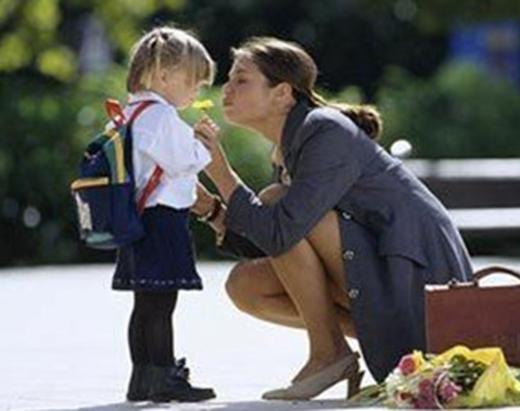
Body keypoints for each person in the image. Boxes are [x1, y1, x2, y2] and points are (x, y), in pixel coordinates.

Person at [192, 36, 473, 401]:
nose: (226, 89)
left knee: (277, 201)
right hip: (384, 275)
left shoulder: (323, 130)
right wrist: (209, 209)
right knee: (246, 286)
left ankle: (328, 353)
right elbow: (268, 241)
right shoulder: (291, 146)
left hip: (422, 283)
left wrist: (223, 174)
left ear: (282, 94)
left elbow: (281, 231)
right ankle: (346, 347)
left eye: (241, 80)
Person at [111, 26, 216, 403]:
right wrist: (204, 145)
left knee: (145, 304)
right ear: (164, 75)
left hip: (137, 218)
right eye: (193, 83)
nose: (195, 93)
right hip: (162, 219)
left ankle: (143, 375)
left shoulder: (131, 112)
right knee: (162, 303)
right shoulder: (161, 116)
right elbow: (183, 161)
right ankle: (164, 376)